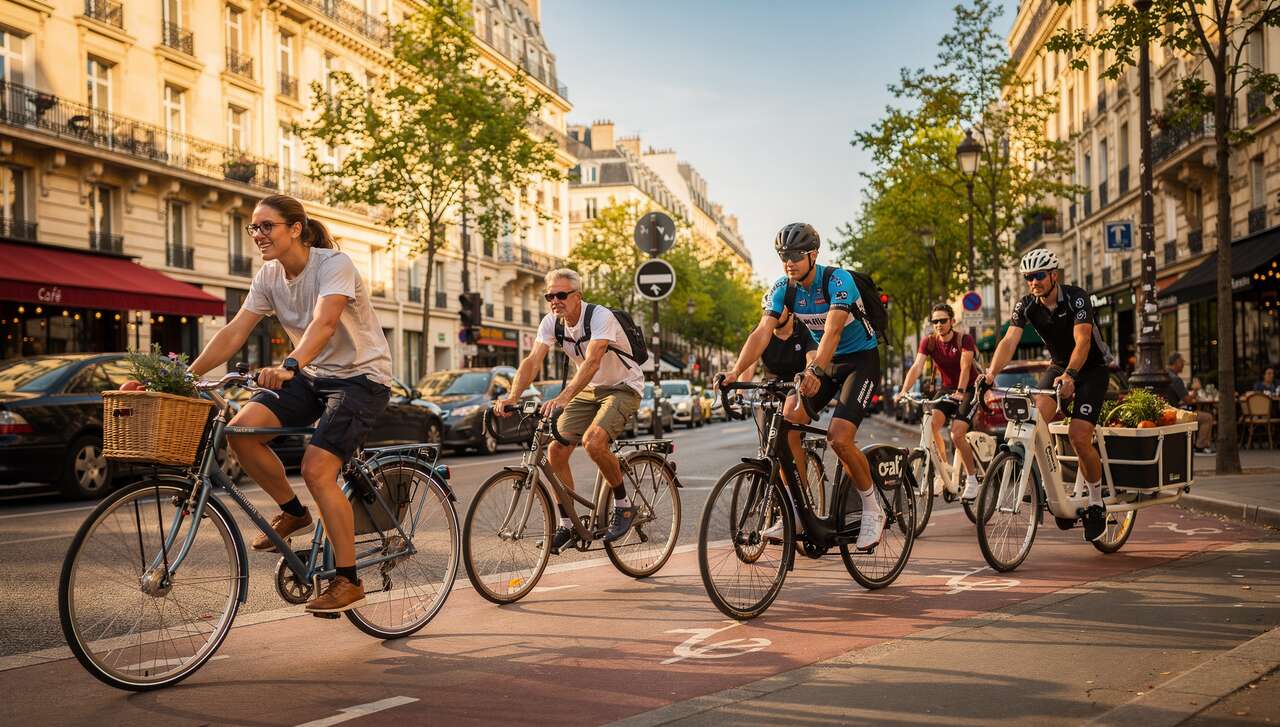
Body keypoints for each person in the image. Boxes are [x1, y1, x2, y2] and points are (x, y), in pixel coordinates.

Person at [189, 194, 393, 614]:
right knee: (241, 433)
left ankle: (348, 580)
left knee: (318, 469)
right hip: (312, 376)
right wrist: (186, 377)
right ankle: (294, 512)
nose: (258, 235)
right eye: (254, 228)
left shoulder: (333, 264)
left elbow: (326, 320)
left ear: (295, 228)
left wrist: (290, 363)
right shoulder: (268, 276)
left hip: (360, 379)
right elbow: (234, 332)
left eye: (267, 226)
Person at [718, 222, 885, 551]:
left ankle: (872, 508)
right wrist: (735, 371)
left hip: (860, 361)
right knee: (787, 424)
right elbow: (762, 332)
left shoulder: (837, 281)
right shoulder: (784, 288)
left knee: (839, 438)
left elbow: (832, 334)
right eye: (783, 256)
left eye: (795, 255)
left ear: (813, 255)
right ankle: (796, 511)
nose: (789, 262)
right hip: (827, 364)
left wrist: (812, 370)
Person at [495, 268, 644, 554]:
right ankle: (568, 524)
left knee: (594, 442)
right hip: (589, 390)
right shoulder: (552, 323)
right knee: (555, 451)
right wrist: (512, 395)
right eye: (550, 295)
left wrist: (563, 397)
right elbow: (533, 359)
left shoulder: (600, 317)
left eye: (561, 295)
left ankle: (624, 506)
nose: (555, 300)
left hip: (623, 387)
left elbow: (592, 361)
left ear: (578, 296)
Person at [980, 248, 1113, 542]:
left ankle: (1094, 503)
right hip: (1058, 367)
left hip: (1090, 369)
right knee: (1034, 420)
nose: (1033, 282)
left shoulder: (1078, 297)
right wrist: (990, 374)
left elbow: (1083, 340)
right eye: (1028, 277)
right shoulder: (1027, 305)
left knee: (1079, 435)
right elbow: (1008, 340)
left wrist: (1072, 376)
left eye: (1039, 276)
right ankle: (1049, 489)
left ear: (1054, 275)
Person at [894, 304, 981, 500]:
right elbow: (917, 367)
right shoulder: (929, 342)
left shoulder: (964, 339)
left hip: (968, 389)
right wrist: (903, 391)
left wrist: (960, 391)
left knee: (957, 434)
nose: (939, 324)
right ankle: (942, 468)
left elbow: (965, 366)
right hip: (947, 390)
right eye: (935, 321)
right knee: (930, 424)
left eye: (943, 320)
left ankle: (972, 479)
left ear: (952, 321)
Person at [1166, 352, 1216, 454]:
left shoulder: (1165, 375)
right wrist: (1196, 389)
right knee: (1207, 417)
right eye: (1182, 361)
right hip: (1175, 414)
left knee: (1199, 414)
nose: (1184, 364)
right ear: (1176, 362)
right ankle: (1201, 446)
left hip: (1169, 411)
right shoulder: (1175, 379)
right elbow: (1188, 400)